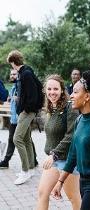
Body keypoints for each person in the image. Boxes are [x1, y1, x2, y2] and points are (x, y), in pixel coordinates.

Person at [51, 71, 90, 210]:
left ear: (87, 96)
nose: (71, 96)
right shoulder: (79, 120)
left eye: (75, 92)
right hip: (83, 181)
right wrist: (60, 181)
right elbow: (73, 154)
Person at [37, 74, 81, 210]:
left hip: (67, 160)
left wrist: (54, 154)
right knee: (42, 193)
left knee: (74, 198)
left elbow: (72, 135)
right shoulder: (51, 108)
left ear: (62, 90)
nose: (52, 92)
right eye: (49, 89)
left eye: (55, 89)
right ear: (45, 90)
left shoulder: (70, 107)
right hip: (54, 160)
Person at [7, 50, 39, 185]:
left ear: (13, 62)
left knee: (17, 138)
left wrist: (26, 109)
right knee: (25, 139)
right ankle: (30, 169)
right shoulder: (25, 72)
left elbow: (33, 94)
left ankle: (25, 171)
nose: (11, 67)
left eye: (11, 64)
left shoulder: (26, 74)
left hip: (27, 112)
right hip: (25, 111)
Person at [0, 69, 38, 169]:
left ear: (19, 75)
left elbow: (26, 98)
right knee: (20, 139)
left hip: (21, 117)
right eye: (11, 74)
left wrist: (19, 99)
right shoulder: (14, 87)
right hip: (14, 118)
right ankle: (32, 160)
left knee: (22, 139)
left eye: (14, 74)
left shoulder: (20, 85)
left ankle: (30, 162)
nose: (12, 76)